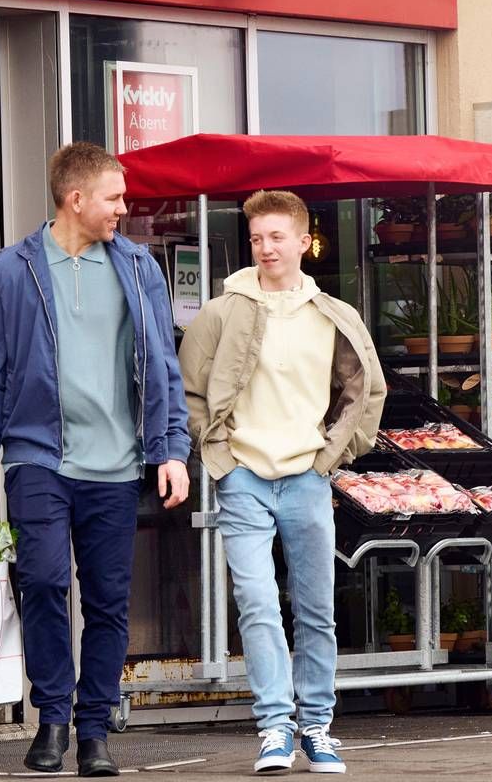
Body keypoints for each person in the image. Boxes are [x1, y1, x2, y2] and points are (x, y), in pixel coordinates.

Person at [0, 142, 192, 778]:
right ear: (76, 199)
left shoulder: (140, 267)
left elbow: (164, 368)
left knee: (109, 601)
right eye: (115, 197)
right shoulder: (9, 273)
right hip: (39, 457)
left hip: (117, 464)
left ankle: (95, 733)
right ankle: (52, 719)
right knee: (41, 582)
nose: (125, 207)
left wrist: (171, 449)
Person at [178, 189, 385, 776]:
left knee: (317, 608)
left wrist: (331, 457)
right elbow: (188, 389)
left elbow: (366, 390)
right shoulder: (222, 311)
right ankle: (274, 728)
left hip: (307, 478)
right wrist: (216, 452)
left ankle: (317, 727)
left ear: (302, 240)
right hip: (243, 475)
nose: (266, 248)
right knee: (259, 604)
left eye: (276, 237)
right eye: (256, 238)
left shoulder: (334, 315)